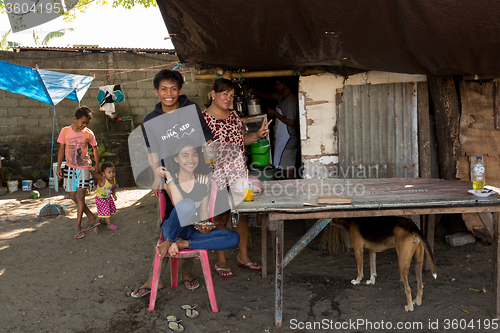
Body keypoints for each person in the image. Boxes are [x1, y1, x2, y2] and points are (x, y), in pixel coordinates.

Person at [131, 69, 213, 297]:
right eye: (164, 89)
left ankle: (187, 271)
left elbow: (206, 133)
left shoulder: (191, 109)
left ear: (180, 90)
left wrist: (210, 154)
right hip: (170, 179)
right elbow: (152, 149)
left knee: (195, 223)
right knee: (167, 225)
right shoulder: (151, 119)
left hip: (197, 175)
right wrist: (157, 176)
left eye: (173, 88)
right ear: (156, 91)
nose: (169, 94)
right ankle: (154, 277)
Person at [203, 78, 271, 278]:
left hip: (239, 174)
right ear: (213, 94)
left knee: (243, 215)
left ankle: (243, 256)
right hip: (216, 176)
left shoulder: (234, 116)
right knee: (221, 218)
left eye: (231, 95)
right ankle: (221, 261)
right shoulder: (202, 119)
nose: (228, 98)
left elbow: (242, 140)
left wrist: (257, 135)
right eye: (224, 94)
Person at [155, 140, 239, 258]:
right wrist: (168, 176)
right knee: (187, 204)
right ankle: (170, 241)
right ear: (176, 159)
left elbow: (203, 210)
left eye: (194, 155)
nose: (191, 160)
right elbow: (179, 204)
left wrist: (204, 225)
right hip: (171, 229)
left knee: (233, 237)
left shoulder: (204, 180)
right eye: (185, 156)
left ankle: (182, 244)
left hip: (191, 230)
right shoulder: (170, 181)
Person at [56, 106, 100, 240]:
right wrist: (59, 167)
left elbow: (95, 148)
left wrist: (96, 165)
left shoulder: (88, 133)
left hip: (83, 168)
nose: (85, 125)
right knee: (73, 196)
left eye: (87, 123)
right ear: (75, 119)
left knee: (80, 197)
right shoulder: (65, 131)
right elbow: (61, 150)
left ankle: (77, 226)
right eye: (83, 122)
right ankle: (91, 217)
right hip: (69, 167)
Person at [250, 78, 299, 179]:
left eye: (277, 84)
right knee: (284, 166)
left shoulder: (290, 101)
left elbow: (291, 122)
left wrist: (275, 113)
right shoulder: (281, 96)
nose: (275, 87)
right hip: (282, 138)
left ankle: (293, 189)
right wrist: (255, 92)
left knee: (288, 168)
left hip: (289, 139)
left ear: (284, 83)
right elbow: (268, 95)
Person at [90, 161, 118, 230]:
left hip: (108, 198)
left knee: (109, 209)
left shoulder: (113, 180)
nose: (112, 174)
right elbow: (96, 175)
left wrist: (114, 194)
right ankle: (109, 224)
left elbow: (112, 187)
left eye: (113, 172)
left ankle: (103, 219)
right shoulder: (103, 179)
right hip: (101, 199)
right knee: (106, 211)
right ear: (103, 174)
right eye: (109, 172)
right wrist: (92, 170)